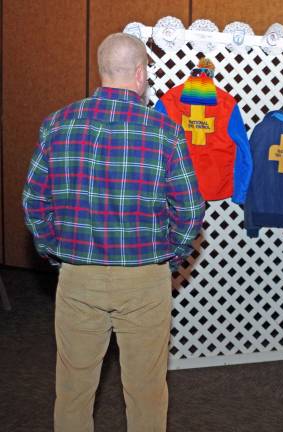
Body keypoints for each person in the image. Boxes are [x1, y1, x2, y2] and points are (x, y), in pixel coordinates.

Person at [22, 33, 205, 432]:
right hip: (144, 277)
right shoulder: (164, 132)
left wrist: (55, 250)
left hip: (78, 276)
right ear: (141, 74)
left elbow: (34, 203)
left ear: (103, 71)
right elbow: (191, 211)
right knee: (146, 389)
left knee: (73, 388)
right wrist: (168, 257)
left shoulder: (56, 124)